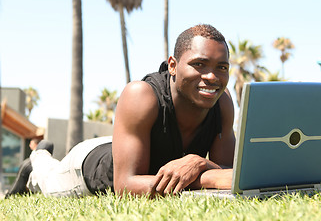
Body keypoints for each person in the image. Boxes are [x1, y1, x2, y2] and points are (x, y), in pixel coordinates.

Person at [25, 24, 236, 197]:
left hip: (121, 145)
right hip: (87, 165)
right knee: (47, 179)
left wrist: (198, 162)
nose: (212, 76)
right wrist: (205, 176)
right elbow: (125, 185)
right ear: (172, 65)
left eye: (222, 67)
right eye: (199, 64)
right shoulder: (141, 95)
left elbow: (227, 171)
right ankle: (38, 160)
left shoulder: (223, 102)